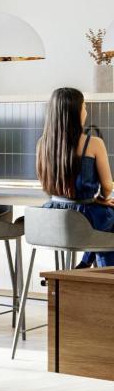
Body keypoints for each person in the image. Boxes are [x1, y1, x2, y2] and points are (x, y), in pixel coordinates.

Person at [38, 85, 114, 267]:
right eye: (84, 106)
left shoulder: (42, 144)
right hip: (85, 217)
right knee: (108, 226)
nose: (86, 111)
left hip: (51, 216)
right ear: (76, 112)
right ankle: (102, 278)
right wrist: (100, 199)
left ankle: (85, 266)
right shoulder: (94, 143)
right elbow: (108, 187)